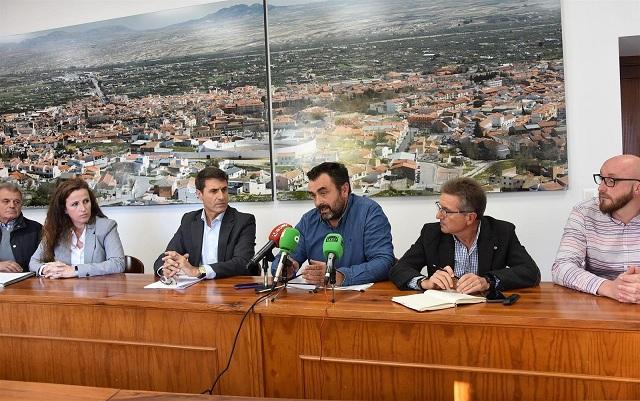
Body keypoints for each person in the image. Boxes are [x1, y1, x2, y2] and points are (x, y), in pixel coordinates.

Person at [390, 177, 540, 293]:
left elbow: (531, 272)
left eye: (446, 211)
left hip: (487, 313)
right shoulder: (431, 233)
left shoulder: (501, 232)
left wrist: (487, 281)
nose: (438, 215)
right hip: (443, 313)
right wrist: (424, 282)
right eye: (439, 207)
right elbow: (399, 268)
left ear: (470, 218)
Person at [275, 162, 394, 286]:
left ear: (344, 190)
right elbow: (283, 259)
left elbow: (384, 262)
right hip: (320, 300)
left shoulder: (369, 212)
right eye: (313, 195)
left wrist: (341, 276)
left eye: (323, 193)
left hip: (363, 300)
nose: (317, 203)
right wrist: (286, 268)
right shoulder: (309, 220)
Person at [552, 154, 640, 303]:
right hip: (601, 305)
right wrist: (610, 288)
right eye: (601, 178)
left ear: (637, 187)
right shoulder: (584, 212)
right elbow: (561, 267)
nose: (601, 188)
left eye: (611, 181)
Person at [154, 166, 256, 280]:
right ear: (199, 194)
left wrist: (198, 271)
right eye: (214, 191)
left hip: (230, 287)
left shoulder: (243, 221)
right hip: (198, 289)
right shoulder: (189, 220)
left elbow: (243, 263)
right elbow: (168, 255)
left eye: (224, 190)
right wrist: (166, 268)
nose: (221, 197)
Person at [29, 178, 125, 278]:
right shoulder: (56, 229)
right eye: (75, 204)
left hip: (98, 290)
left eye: (86, 201)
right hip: (64, 290)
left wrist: (75, 271)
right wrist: (46, 269)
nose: (83, 209)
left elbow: (118, 264)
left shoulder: (106, 227)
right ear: (64, 209)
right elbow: (34, 262)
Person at [0, 182, 42, 272]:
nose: (12, 205)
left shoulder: (36, 229)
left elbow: (45, 262)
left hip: (25, 283)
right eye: (6, 201)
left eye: (16, 202)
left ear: (21, 205)